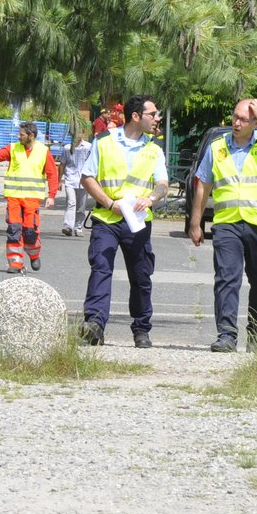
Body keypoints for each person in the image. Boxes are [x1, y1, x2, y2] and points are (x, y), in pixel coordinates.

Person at [188, 98, 257, 352]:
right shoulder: (217, 146)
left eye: (244, 119)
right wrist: (195, 221)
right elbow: (203, 183)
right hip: (227, 224)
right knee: (226, 277)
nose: (236, 123)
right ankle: (227, 334)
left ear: (256, 122)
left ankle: (256, 333)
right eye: (234, 117)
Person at [79, 95, 168, 348]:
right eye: (153, 114)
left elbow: (162, 184)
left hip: (138, 222)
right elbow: (87, 177)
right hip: (107, 217)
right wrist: (109, 203)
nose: (157, 118)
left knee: (141, 276)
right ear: (136, 116)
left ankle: (141, 329)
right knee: (101, 267)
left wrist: (150, 199)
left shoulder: (154, 148)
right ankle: (94, 324)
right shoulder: (104, 141)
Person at [0, 121, 60, 273]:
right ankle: (15, 263)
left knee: (30, 232)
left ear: (31, 136)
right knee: (14, 230)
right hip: (13, 198)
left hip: (32, 199)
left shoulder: (43, 151)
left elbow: (52, 174)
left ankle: (34, 254)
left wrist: (51, 196)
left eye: (21, 134)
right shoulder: (13, 148)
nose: (18, 136)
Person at [60, 122, 94, 237]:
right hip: (70, 179)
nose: (77, 135)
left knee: (81, 206)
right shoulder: (66, 148)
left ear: (83, 133)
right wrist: (59, 180)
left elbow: (92, 164)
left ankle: (78, 226)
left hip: (84, 181)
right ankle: (67, 226)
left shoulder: (88, 147)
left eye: (79, 132)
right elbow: (62, 164)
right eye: (74, 133)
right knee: (71, 202)